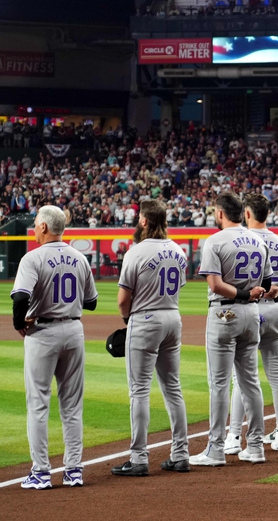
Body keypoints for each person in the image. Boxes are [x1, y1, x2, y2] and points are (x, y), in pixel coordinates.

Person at [10, 205, 98, 489]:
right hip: (73, 330)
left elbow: (21, 297)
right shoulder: (79, 257)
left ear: (45, 227)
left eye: (36, 223)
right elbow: (91, 302)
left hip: (43, 333)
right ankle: (73, 471)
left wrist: (19, 323)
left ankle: (41, 472)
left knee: (38, 404)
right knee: (72, 406)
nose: (34, 227)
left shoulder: (32, 257)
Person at [191, 192, 270, 467]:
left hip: (226, 311)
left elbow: (214, 284)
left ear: (221, 213)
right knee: (250, 381)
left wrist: (242, 294)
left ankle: (215, 449)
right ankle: (257, 446)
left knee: (219, 384)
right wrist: (251, 295)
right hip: (252, 313)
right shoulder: (259, 241)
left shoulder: (215, 240)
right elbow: (270, 283)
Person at [112, 200, 189, 477]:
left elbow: (123, 300)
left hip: (145, 319)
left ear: (144, 221)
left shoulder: (136, 252)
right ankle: (180, 454)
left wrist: (127, 321)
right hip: (173, 318)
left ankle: (138, 458)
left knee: (139, 391)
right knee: (173, 388)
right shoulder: (178, 251)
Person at [228, 194, 278, 454]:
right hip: (276, 309)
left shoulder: (240, 240)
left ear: (246, 213)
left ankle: (233, 437)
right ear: (269, 213)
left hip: (249, 308)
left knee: (241, 376)